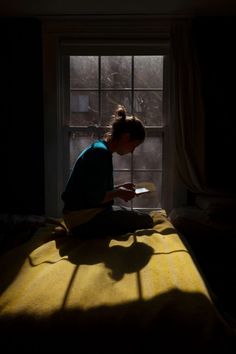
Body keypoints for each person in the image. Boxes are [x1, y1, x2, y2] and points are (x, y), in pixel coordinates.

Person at [61, 105, 154, 238]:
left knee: (136, 216)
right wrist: (118, 192)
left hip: (83, 214)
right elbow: (94, 198)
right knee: (146, 221)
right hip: (83, 219)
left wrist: (118, 188)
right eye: (134, 145)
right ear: (126, 137)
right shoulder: (100, 153)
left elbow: (92, 190)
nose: (133, 151)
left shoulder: (100, 149)